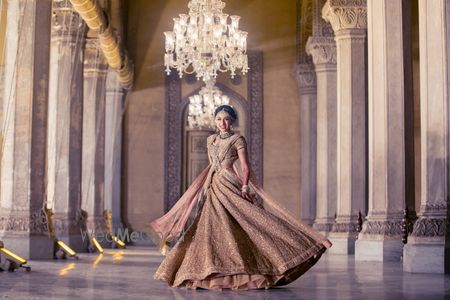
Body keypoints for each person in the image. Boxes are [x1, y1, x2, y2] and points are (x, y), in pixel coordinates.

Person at [148, 105, 331, 290]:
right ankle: (210, 272)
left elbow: (245, 166)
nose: (222, 123)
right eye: (219, 119)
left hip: (230, 184)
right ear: (214, 120)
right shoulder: (211, 139)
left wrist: (244, 186)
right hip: (213, 186)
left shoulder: (237, 139)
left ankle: (298, 247)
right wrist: (205, 187)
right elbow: (213, 165)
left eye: (226, 119)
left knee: (248, 221)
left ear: (232, 121)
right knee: (211, 229)